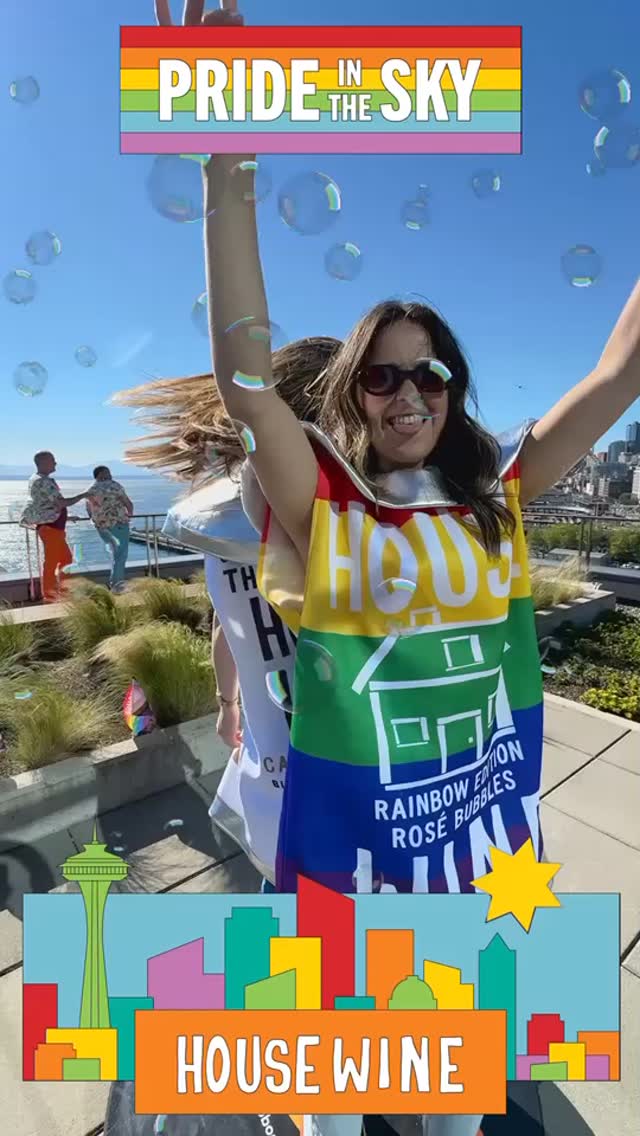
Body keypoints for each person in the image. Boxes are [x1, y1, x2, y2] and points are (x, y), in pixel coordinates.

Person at [158, 6, 640, 1136]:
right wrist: (229, 142)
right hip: (342, 848)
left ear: (454, 385)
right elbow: (242, 379)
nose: (410, 392)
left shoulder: (496, 502)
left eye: (431, 372)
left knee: (457, 1102)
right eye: (381, 377)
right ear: (352, 397)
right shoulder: (320, 505)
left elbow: (619, 374)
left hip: (478, 848)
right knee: (328, 1104)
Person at [112, 336, 341, 887]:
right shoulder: (349, 521)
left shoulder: (226, 520)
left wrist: (227, 704)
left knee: (284, 896)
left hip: (274, 770)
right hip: (343, 772)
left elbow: (230, 622)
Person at [20, 451, 87, 602]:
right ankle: (51, 595)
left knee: (64, 559)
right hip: (51, 529)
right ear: (43, 462)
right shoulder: (43, 481)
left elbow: (45, 505)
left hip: (52, 526)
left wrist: (67, 517)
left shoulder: (36, 479)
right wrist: (83, 495)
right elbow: (61, 503)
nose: (56, 463)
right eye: (53, 461)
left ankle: (61, 592)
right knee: (53, 562)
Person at [85, 466, 134, 592]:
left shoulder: (91, 490)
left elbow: (89, 511)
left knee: (113, 553)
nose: (111, 475)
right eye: (108, 473)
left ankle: (115, 583)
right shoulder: (114, 486)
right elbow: (128, 503)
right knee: (120, 556)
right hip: (118, 524)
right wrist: (129, 516)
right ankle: (117, 586)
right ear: (101, 474)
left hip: (102, 527)